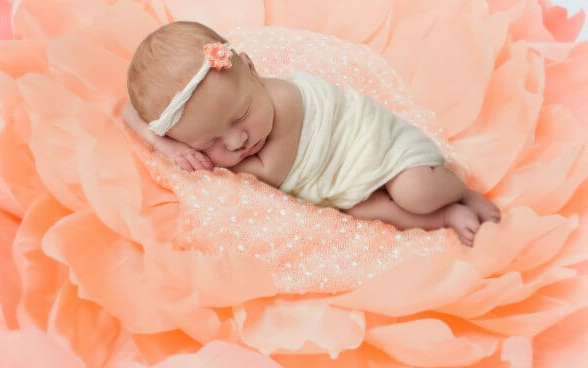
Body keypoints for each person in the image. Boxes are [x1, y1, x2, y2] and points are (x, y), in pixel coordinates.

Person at [123, 21, 501, 247]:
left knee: (414, 191)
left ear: (252, 69)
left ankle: (460, 191)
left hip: (374, 146)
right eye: (210, 142)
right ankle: (447, 217)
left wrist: (206, 158)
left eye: (241, 116)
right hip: (340, 184)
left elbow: (268, 173)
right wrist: (164, 143)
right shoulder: (235, 122)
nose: (236, 141)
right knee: (368, 213)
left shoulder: (283, 100)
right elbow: (128, 113)